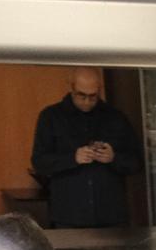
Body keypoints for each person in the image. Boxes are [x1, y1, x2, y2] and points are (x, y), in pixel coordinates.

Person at [30, 67, 143, 229]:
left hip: (111, 215)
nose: (87, 101)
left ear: (99, 91)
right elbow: (39, 162)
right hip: (69, 215)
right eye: (81, 95)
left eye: (92, 96)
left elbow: (136, 162)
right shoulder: (51, 117)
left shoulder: (115, 117)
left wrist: (114, 158)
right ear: (71, 88)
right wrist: (72, 158)